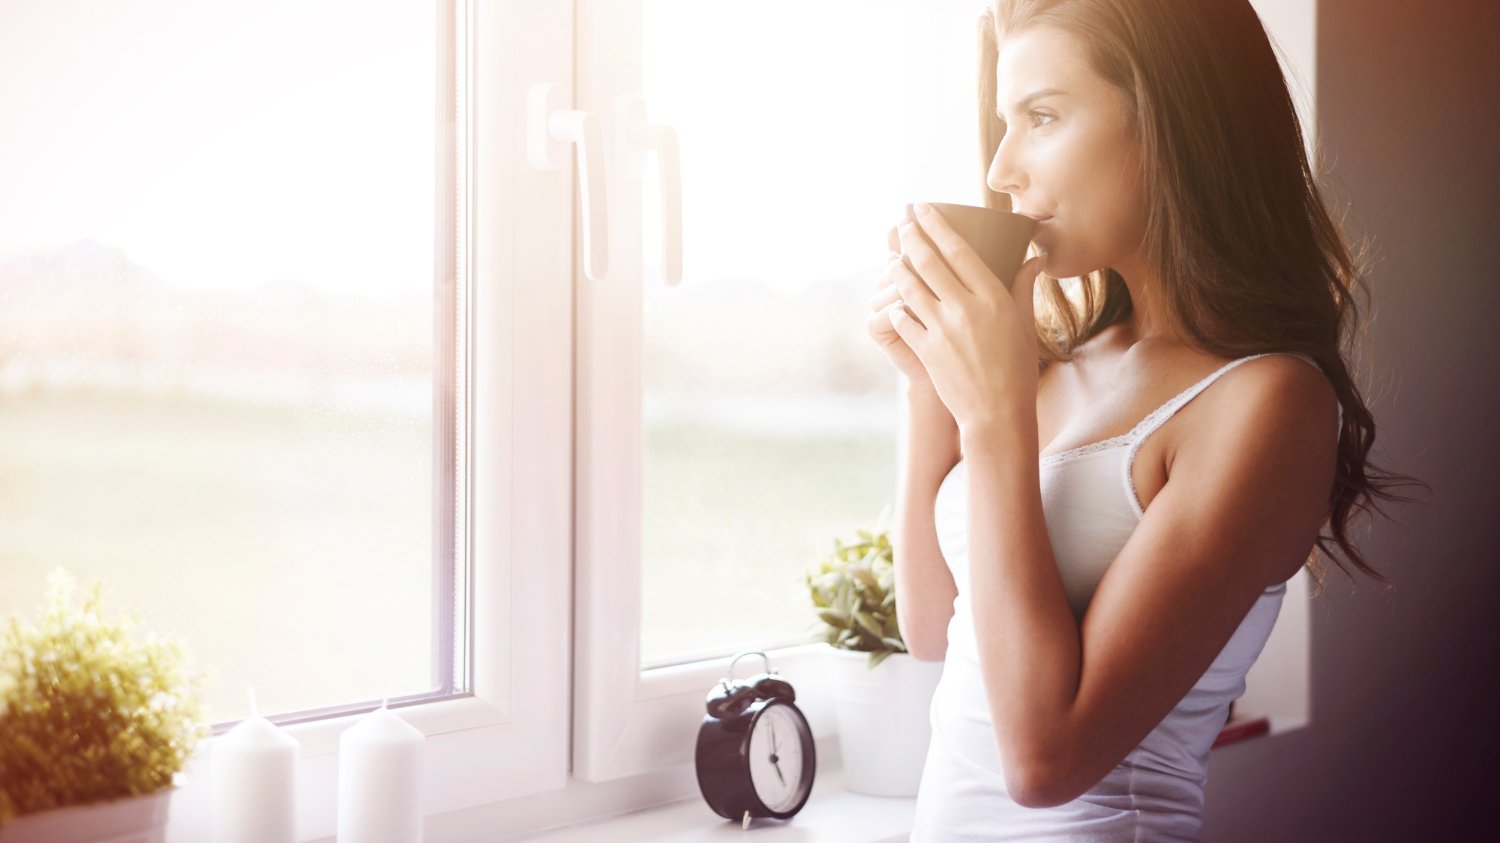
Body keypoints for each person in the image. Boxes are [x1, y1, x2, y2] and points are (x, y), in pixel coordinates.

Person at [865, 0, 1425, 839]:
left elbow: (1044, 761)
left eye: (1042, 117)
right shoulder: (1053, 364)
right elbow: (932, 631)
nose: (1002, 168)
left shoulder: (1267, 403)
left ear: (1168, 121)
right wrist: (929, 387)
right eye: (1001, 123)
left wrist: (994, 417)